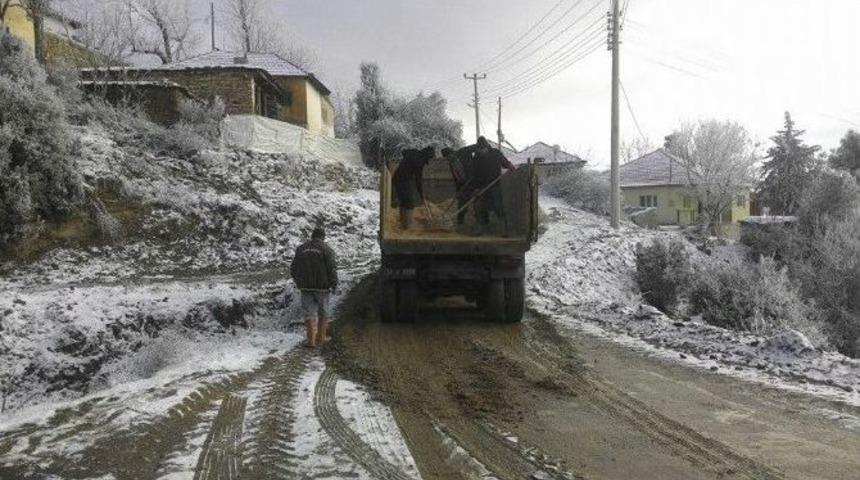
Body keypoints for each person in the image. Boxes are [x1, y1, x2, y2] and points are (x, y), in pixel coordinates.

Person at [290, 226, 338, 348]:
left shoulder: (301, 249)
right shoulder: (327, 250)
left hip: (305, 288)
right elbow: (331, 269)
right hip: (322, 288)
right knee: (323, 313)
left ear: (312, 236)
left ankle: (310, 341)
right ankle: (321, 338)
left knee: (309, 314)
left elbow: (293, 268)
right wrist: (334, 283)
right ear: (323, 237)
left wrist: (299, 282)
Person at [469, 136, 516, 233]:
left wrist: (509, 165)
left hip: (494, 184)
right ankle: (480, 227)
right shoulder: (476, 157)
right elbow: (473, 173)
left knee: (498, 206)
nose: (482, 151)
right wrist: (476, 188)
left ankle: (504, 229)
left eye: (483, 149)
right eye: (480, 149)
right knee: (478, 206)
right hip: (481, 186)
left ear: (487, 146)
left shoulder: (496, 153)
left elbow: (505, 162)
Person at [392, 146, 435, 229]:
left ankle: (402, 224)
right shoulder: (419, 160)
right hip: (403, 180)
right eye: (429, 158)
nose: (428, 161)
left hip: (397, 179)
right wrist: (421, 193)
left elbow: (404, 152)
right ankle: (407, 227)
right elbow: (418, 179)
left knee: (404, 202)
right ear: (427, 155)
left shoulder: (414, 153)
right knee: (410, 204)